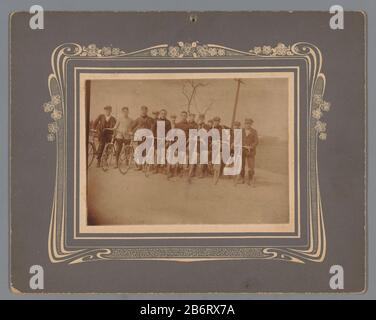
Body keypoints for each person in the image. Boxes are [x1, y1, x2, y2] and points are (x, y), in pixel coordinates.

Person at [238, 118, 259, 186]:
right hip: (242, 150)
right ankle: (242, 178)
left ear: (251, 124)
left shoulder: (254, 131)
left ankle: (250, 180)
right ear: (244, 124)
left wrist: (251, 146)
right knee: (241, 165)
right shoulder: (241, 131)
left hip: (250, 151)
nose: (247, 125)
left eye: (249, 124)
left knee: (251, 166)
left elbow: (256, 141)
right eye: (246, 123)